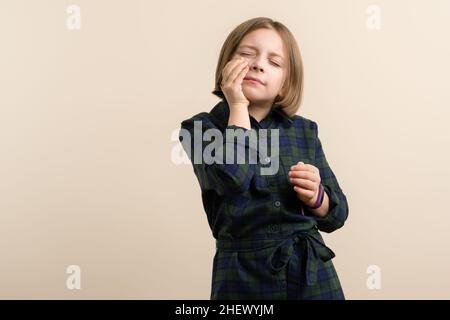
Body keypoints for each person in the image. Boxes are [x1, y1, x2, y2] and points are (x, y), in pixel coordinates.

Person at [179, 17, 349, 299]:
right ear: (226, 66)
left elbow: (338, 214)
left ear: (284, 84)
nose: (258, 64)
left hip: (311, 276)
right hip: (242, 277)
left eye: (275, 61)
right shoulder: (199, 129)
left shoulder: (304, 130)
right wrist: (238, 104)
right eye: (247, 54)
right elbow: (234, 177)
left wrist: (317, 198)